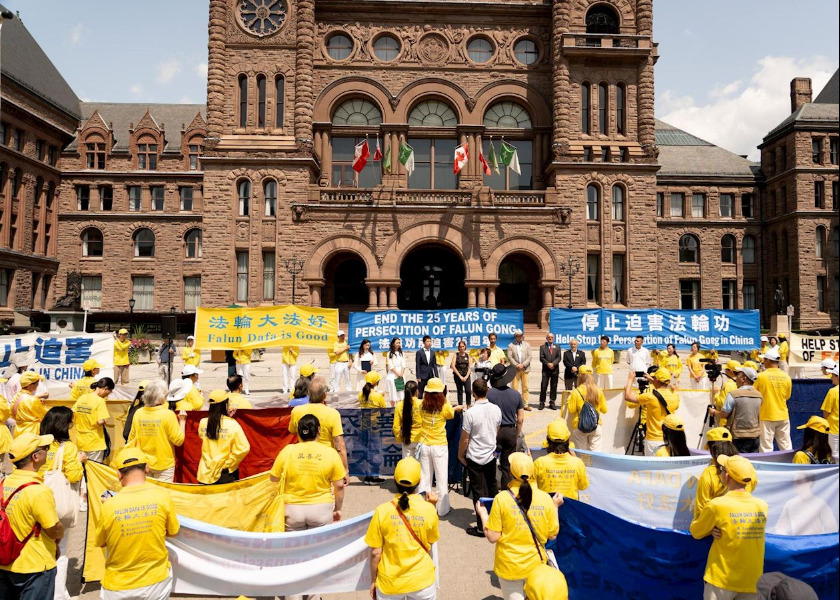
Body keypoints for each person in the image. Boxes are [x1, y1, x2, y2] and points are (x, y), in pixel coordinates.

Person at [270, 414, 346, 600]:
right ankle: (312, 596)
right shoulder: (329, 453)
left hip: (292, 510)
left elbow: (273, 479)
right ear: (319, 431)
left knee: (293, 556)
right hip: (320, 509)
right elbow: (339, 485)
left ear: (298, 432)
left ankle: (292, 596)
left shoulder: (288, 451)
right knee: (316, 556)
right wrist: (337, 508)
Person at [95, 448, 180, 600]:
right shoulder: (163, 497)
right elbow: (173, 531)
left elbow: (101, 542)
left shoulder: (109, 506)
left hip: (118, 587)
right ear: (147, 468)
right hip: (156, 583)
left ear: (119, 474)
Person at [476, 452, 560, 600]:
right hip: (536, 567)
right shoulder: (545, 498)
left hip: (509, 567)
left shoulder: (501, 499)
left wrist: (483, 514)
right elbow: (552, 534)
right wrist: (555, 507)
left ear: (510, 472)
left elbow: (492, 536)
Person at [690, 455, 767, 600]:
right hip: (752, 580)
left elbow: (696, 531)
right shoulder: (762, 506)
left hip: (721, 580)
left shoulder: (717, 505)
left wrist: (709, 527)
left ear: (727, 476)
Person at [0, 433, 64, 600]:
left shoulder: (3, 484)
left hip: (5, 562)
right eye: (46, 449)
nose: (48, 452)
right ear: (35, 457)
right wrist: (60, 535)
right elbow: (53, 528)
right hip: (35, 566)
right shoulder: (38, 491)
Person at [365, 457, 439, 600]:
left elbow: (375, 553)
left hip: (390, 583)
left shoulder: (382, 511)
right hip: (422, 581)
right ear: (419, 482)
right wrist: (432, 506)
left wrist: (373, 580)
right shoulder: (428, 509)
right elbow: (430, 540)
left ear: (394, 479)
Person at [38, 408, 84, 600]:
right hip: (58, 505)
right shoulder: (69, 448)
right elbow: (74, 475)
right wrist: (79, 461)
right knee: (61, 550)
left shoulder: (38, 443)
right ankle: (57, 594)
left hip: (37, 499)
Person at [458, 378, 502, 537]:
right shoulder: (496, 409)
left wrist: (460, 454)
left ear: (473, 393)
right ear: (487, 391)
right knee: (492, 487)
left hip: (475, 456)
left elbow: (465, 438)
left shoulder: (470, 413)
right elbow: (496, 430)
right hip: (490, 454)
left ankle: (480, 526)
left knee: (478, 491)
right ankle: (496, 520)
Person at [289, 377, 349, 482]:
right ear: (325, 395)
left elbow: (292, 430)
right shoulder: (332, 413)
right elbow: (340, 446)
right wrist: (345, 470)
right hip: (326, 461)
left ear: (308, 393)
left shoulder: (296, 411)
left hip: (303, 461)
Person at [127, 379, 187, 482]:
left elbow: (131, 439)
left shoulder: (139, 413)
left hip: (144, 463)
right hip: (164, 465)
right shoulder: (168, 414)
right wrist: (182, 421)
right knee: (163, 495)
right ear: (162, 396)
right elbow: (179, 441)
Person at [416, 377, 461, 516]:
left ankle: (423, 506)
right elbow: (451, 414)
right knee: (441, 478)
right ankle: (442, 509)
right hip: (439, 445)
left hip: (424, 444)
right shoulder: (445, 405)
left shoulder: (421, 404)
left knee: (425, 477)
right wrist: (450, 401)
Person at [694, 427, 755, 519]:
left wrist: (708, 527)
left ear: (712, 448)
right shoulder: (747, 468)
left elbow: (702, 506)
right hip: (742, 520)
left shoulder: (709, 472)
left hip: (717, 525)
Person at [197, 389, 251, 484]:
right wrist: (228, 464)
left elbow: (207, 436)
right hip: (225, 474)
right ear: (225, 404)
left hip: (205, 473)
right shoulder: (232, 424)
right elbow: (244, 448)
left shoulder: (203, 422)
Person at [623, 368, 680, 456]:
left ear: (657, 379)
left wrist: (630, 380)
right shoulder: (675, 396)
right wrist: (653, 380)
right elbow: (663, 388)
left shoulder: (650, 396)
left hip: (653, 439)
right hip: (668, 438)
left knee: (651, 468)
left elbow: (628, 397)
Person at [487, 363, 525, 489]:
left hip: (494, 432)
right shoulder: (516, 395)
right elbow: (520, 419)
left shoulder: (490, 394)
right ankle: (506, 489)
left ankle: (491, 487)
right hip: (510, 431)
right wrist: (517, 433)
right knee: (507, 464)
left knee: (492, 459)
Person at [710, 365, 762, 453]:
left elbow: (724, 414)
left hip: (738, 436)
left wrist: (714, 412)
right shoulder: (759, 395)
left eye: (738, 375)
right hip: (755, 436)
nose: (736, 377)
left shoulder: (734, 394)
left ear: (743, 379)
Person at [533, 420, 588, 500]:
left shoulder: (539, 463)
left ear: (547, 439)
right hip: (570, 510)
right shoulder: (577, 463)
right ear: (568, 440)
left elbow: (531, 487)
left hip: (547, 509)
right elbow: (583, 486)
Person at [755, 347, 793, 452]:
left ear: (768, 360)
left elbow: (755, 393)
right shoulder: (786, 377)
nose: (763, 362)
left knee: (766, 447)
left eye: (764, 360)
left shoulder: (761, 377)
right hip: (783, 414)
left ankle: (767, 466)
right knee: (786, 445)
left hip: (766, 415)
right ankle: (789, 466)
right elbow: (787, 396)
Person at [72, 377, 114, 463]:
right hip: (95, 442)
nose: (108, 395)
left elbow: (73, 412)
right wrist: (105, 421)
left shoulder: (83, 397)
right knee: (94, 470)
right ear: (105, 388)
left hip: (81, 440)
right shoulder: (100, 401)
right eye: (108, 392)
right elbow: (100, 421)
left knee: (82, 468)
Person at [567, 365, 607, 451]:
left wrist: (569, 398)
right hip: (595, 425)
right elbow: (604, 410)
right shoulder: (598, 390)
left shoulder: (576, 392)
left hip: (579, 425)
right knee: (596, 454)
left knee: (582, 454)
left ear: (580, 376)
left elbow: (571, 410)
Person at [11, 372, 47, 438]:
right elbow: (44, 416)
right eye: (37, 384)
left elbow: (13, 414)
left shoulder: (16, 397)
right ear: (30, 385)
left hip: (19, 431)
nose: (37, 386)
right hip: (32, 432)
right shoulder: (33, 400)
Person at [394, 380, 422, 458]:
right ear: (417, 391)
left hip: (407, 439)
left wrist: (400, 438)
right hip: (420, 439)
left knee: (407, 467)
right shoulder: (421, 404)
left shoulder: (399, 405)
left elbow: (396, 427)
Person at [713, 360, 741, 427]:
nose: (724, 371)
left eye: (726, 369)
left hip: (726, 421)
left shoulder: (728, 385)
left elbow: (723, 404)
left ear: (730, 371)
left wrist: (716, 394)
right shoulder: (740, 383)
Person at [508, 330, 532, 408]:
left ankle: (525, 404)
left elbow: (529, 356)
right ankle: (514, 404)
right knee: (514, 387)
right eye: (518, 335)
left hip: (525, 369)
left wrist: (523, 364)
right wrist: (517, 365)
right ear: (515, 336)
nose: (520, 337)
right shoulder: (511, 345)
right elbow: (510, 357)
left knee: (525, 387)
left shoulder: (527, 345)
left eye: (521, 335)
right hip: (515, 369)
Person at [538, 334, 561, 411]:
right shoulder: (542, 347)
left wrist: (553, 363)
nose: (550, 338)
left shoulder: (557, 347)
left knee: (554, 386)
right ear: (546, 338)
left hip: (555, 369)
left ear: (553, 338)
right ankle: (542, 402)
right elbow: (541, 358)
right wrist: (548, 364)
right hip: (546, 370)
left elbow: (559, 357)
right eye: (549, 337)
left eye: (551, 337)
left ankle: (552, 402)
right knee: (544, 386)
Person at [821, 364, 839, 462]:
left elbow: (826, 411)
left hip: (834, 429)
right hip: (834, 428)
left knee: (834, 455)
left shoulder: (833, 391)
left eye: (833, 375)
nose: (831, 377)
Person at [451, 340, 473, 407]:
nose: (462, 348)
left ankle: (468, 406)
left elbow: (470, 367)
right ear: (458, 347)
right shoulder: (456, 355)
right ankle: (460, 407)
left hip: (466, 375)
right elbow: (453, 366)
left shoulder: (468, 356)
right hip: (458, 376)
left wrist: (466, 376)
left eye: (463, 346)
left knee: (468, 391)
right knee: (460, 391)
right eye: (460, 347)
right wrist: (460, 376)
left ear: (465, 347)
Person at [385, 337, 405, 406]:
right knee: (393, 392)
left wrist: (401, 373)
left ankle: (400, 408)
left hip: (401, 374)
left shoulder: (401, 353)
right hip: (393, 374)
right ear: (393, 344)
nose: (398, 344)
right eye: (397, 343)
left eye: (399, 343)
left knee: (400, 392)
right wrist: (397, 373)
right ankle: (392, 409)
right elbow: (391, 366)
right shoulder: (389, 353)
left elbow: (403, 364)